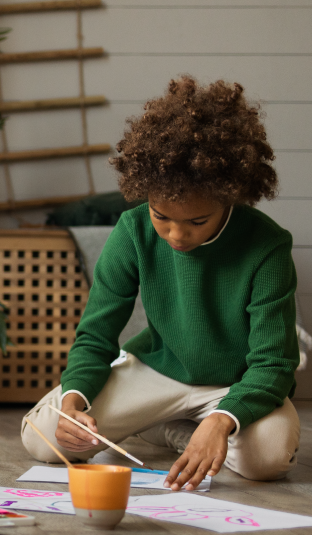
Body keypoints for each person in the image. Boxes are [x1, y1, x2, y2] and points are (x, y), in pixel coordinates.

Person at [21, 77, 299, 491]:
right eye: (160, 215)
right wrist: (74, 402)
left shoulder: (267, 246)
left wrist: (223, 420)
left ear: (231, 195)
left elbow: (274, 364)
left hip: (233, 384)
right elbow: (96, 336)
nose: (175, 235)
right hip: (158, 371)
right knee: (44, 439)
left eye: (196, 222)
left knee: (269, 458)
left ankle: (180, 428)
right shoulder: (132, 231)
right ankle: (172, 429)